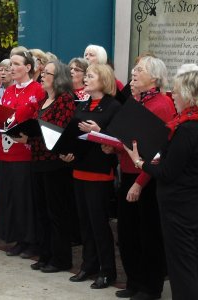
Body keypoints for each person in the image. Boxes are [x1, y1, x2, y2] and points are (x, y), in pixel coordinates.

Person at [124, 65, 198, 300]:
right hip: (187, 203)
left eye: (176, 91)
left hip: (180, 206)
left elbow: (167, 171)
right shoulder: (186, 124)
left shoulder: (187, 129)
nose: (173, 95)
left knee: (182, 264)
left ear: (188, 94)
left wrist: (140, 163)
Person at [106, 56, 175, 300]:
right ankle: (134, 281)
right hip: (128, 173)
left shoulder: (163, 104)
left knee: (149, 235)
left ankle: (151, 287)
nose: (134, 73)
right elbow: (127, 138)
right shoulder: (135, 101)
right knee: (128, 233)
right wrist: (111, 146)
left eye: (140, 70)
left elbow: (159, 151)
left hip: (146, 178)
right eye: (134, 70)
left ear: (154, 78)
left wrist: (139, 183)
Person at [61, 63, 120, 289]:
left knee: (98, 224)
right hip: (79, 167)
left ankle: (107, 270)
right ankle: (89, 265)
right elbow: (73, 133)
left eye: (91, 76)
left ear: (103, 80)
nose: (85, 79)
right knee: (84, 222)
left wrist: (99, 132)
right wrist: (67, 152)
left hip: (99, 171)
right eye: (85, 76)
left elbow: (118, 139)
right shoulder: (84, 103)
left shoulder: (113, 106)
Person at [14, 61, 76, 272]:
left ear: (58, 78)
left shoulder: (65, 100)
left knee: (56, 212)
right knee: (41, 211)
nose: (42, 76)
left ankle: (60, 259)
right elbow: (39, 131)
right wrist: (27, 139)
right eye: (43, 73)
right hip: (38, 161)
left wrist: (35, 137)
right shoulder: (43, 100)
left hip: (55, 163)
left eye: (47, 73)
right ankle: (45, 254)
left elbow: (58, 131)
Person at [0, 50, 45, 258]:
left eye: (16, 64)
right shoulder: (9, 90)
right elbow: (4, 118)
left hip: (24, 153)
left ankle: (30, 240)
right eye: (11, 64)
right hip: (6, 151)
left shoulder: (38, 90)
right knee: (10, 197)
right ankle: (16, 238)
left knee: (25, 199)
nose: (11, 68)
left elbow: (38, 121)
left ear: (28, 67)